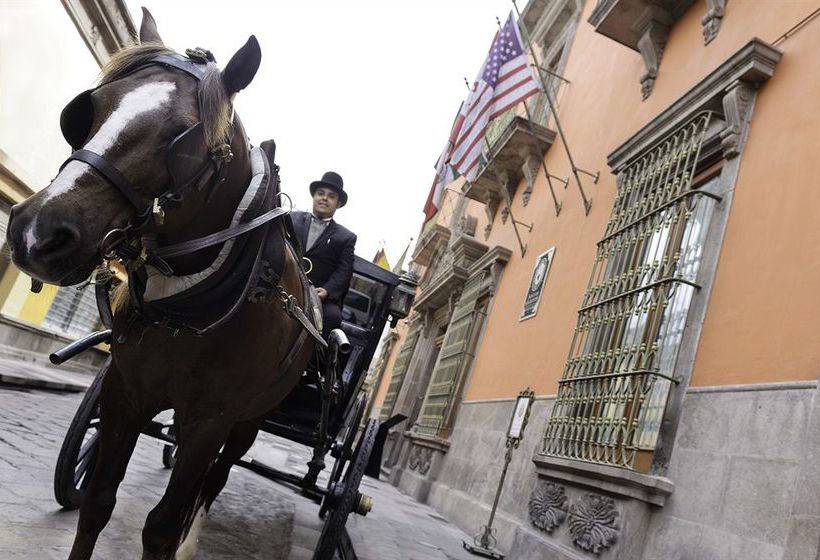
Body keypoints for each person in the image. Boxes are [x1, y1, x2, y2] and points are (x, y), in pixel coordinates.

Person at [291, 171, 356, 337]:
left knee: (333, 317)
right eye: (320, 193)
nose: (324, 198)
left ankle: (316, 362)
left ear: (338, 204)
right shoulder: (292, 219)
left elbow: (344, 271)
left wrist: (327, 291)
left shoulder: (346, 237)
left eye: (331, 196)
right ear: (314, 197)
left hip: (317, 293)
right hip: (285, 281)